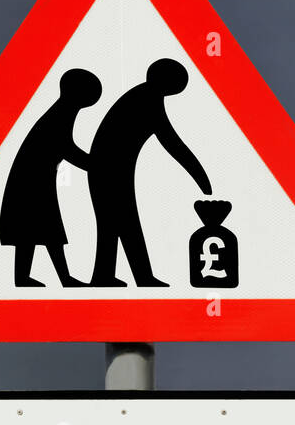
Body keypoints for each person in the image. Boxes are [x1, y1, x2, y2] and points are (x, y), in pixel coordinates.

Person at [86, 58, 212, 287]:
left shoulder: (142, 96)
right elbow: (173, 143)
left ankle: (110, 276)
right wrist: (201, 179)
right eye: (177, 83)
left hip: (109, 170)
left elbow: (171, 141)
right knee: (122, 223)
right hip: (109, 171)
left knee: (117, 224)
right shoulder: (148, 100)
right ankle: (132, 277)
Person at [0, 68, 102, 287]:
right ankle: (54, 279)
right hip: (33, 180)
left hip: (36, 177)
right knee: (42, 229)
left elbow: (64, 146)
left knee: (38, 229)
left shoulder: (63, 110)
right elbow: (65, 147)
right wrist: (94, 165)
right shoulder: (62, 112)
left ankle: (43, 278)